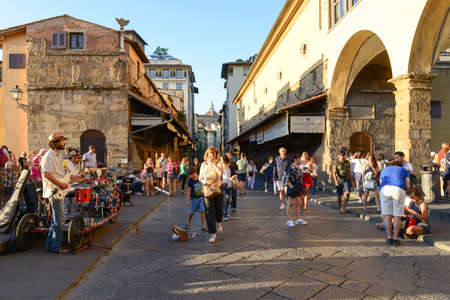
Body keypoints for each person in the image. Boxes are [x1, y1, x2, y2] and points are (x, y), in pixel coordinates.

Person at [42, 132, 83, 253]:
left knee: (56, 220)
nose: (64, 142)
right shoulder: (49, 156)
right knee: (60, 219)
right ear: (55, 142)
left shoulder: (57, 156)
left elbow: (62, 176)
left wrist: (78, 177)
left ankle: (50, 245)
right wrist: (60, 184)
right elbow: (47, 174)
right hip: (55, 190)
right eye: (62, 140)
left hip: (57, 189)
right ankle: (56, 247)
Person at [379, 160, 410, 247]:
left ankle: (389, 237)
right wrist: (404, 192)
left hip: (385, 189)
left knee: (388, 215)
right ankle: (396, 238)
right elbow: (408, 185)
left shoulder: (385, 170)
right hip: (398, 189)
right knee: (397, 216)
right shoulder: (404, 170)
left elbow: (381, 182)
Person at [200, 146, 224, 244]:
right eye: (210, 154)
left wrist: (214, 164)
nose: (212, 156)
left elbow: (221, 173)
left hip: (218, 190)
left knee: (219, 210)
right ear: (207, 154)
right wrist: (205, 181)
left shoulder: (219, 163)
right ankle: (213, 234)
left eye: (214, 154)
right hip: (207, 191)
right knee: (210, 213)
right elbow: (200, 178)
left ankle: (219, 222)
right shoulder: (203, 165)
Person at [285, 156, 307, 227]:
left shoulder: (298, 168)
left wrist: (302, 187)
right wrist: (292, 187)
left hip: (298, 187)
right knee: (290, 204)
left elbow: (300, 178)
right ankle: (289, 220)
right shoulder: (290, 168)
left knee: (297, 203)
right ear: (295, 160)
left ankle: (298, 219)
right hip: (292, 187)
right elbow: (287, 179)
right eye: (299, 159)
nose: (300, 160)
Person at [185, 167, 207, 231]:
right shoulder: (190, 180)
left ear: (195, 172)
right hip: (193, 198)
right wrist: (187, 201)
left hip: (200, 197)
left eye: (192, 174)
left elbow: (204, 184)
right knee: (192, 212)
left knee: (202, 211)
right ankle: (189, 223)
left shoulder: (200, 178)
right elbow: (188, 191)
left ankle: (203, 226)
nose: (191, 176)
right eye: (190, 175)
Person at [333, 149, 352, 214]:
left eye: (344, 155)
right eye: (341, 155)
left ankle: (343, 207)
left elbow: (349, 171)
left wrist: (351, 180)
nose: (343, 156)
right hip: (339, 180)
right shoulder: (336, 162)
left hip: (346, 179)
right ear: (339, 156)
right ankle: (339, 208)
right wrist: (335, 181)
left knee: (347, 193)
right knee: (339, 195)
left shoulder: (347, 162)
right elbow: (334, 172)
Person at [222, 155, 235, 221]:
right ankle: (224, 214)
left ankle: (225, 212)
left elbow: (234, 174)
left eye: (222, 161)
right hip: (222, 186)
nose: (222, 162)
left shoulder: (230, 167)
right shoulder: (220, 168)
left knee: (227, 200)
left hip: (229, 185)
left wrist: (232, 177)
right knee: (226, 199)